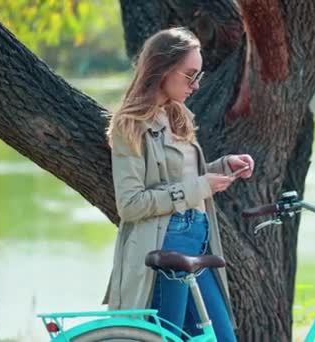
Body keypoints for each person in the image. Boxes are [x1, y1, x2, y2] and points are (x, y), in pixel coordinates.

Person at [102, 27, 253, 341]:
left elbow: (181, 181)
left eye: (198, 75)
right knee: (167, 337)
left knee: (222, 338)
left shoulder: (178, 117)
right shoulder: (130, 125)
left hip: (198, 240)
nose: (196, 86)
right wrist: (199, 187)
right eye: (189, 75)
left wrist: (223, 167)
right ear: (162, 68)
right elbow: (130, 205)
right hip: (165, 244)